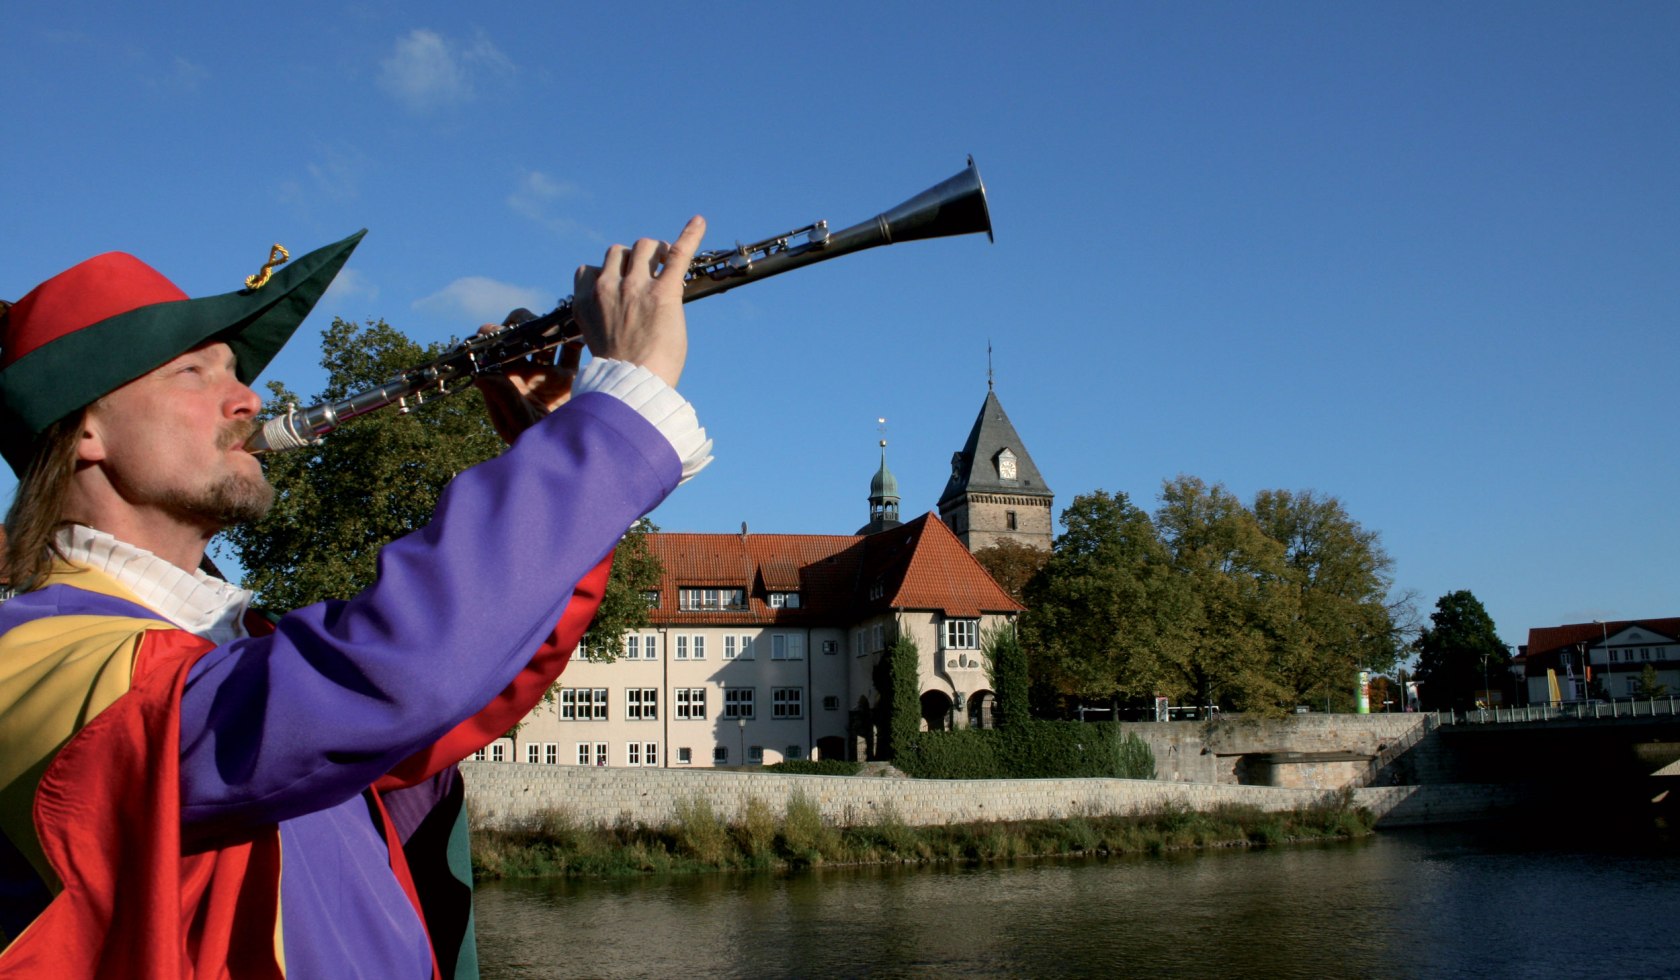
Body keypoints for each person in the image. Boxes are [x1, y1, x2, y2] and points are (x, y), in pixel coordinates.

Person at [0, 216, 709, 978]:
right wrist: (610, 426)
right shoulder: (32, 657)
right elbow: (395, 672)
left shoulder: (220, 649)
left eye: (236, 371)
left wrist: (558, 452)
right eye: (194, 373)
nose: (248, 400)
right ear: (84, 433)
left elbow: (472, 683)